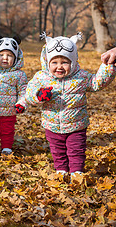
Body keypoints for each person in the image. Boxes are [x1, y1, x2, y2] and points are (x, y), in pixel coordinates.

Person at [18, 32, 116, 177]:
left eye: (64, 62)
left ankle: (76, 171)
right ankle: (61, 170)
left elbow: (96, 83)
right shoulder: (41, 77)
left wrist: (107, 68)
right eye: (54, 62)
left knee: (76, 149)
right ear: (47, 62)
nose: (59, 67)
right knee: (57, 150)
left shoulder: (80, 77)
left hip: (76, 124)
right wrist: (39, 95)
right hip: (52, 124)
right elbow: (29, 93)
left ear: (73, 61)